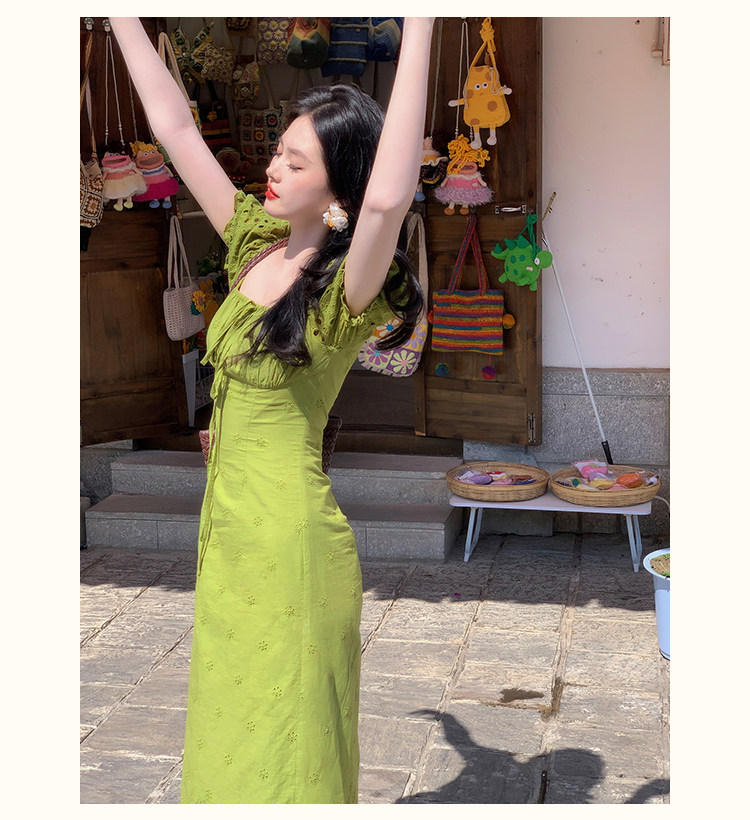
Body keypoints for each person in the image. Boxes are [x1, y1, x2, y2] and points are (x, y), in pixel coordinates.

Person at [110, 16, 435, 805]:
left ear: (340, 184)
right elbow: (176, 127)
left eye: (296, 160)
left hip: (291, 543)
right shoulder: (255, 241)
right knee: (231, 728)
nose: (273, 168)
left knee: (292, 746)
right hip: (227, 534)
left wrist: (423, 19)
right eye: (277, 152)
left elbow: (388, 198)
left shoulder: (346, 284)